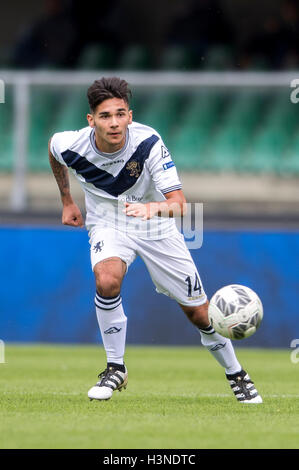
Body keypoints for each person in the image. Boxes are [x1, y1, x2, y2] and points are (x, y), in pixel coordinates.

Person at [48, 77, 262, 404]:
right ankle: (115, 367)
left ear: (130, 116)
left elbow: (179, 204)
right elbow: (54, 154)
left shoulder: (148, 143)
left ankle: (236, 374)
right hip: (108, 223)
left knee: (201, 315)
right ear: (91, 120)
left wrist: (152, 208)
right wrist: (66, 200)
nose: (115, 122)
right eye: (106, 116)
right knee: (106, 280)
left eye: (120, 114)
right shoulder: (70, 144)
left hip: (155, 225)